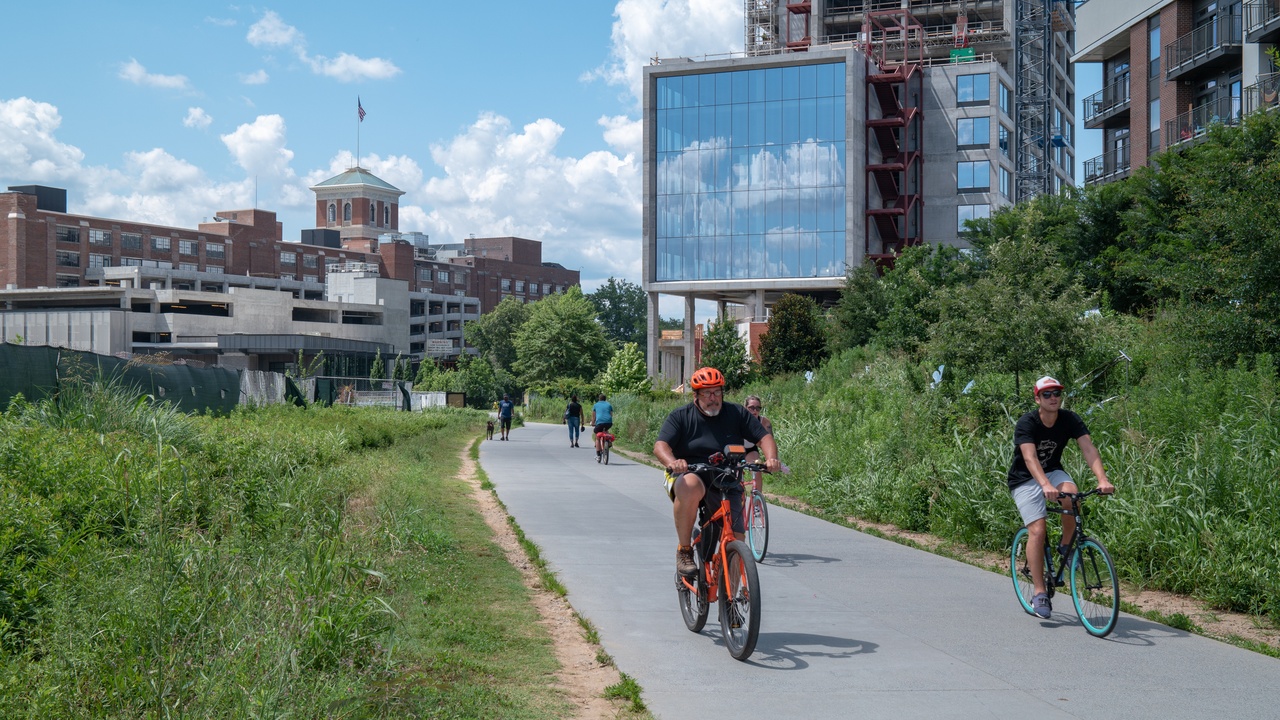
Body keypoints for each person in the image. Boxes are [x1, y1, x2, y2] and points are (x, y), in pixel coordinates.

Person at [654, 367, 780, 577]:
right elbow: (661, 446)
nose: (713, 398)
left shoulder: (737, 413)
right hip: (695, 473)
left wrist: (771, 458)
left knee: (737, 541)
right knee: (689, 486)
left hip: (727, 477)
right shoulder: (681, 416)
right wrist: (674, 462)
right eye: (706, 393)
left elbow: (763, 437)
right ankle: (684, 550)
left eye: (717, 392)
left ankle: (730, 603)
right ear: (696, 395)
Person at [1008, 376, 1115, 619]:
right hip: (1024, 478)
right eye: (1047, 394)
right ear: (1037, 398)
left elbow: (1088, 448)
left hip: (1052, 472)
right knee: (1038, 529)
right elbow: (1030, 458)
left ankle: (1066, 545)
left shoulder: (1070, 419)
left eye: (1056, 393)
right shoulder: (1027, 423)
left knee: (1073, 497)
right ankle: (1039, 593)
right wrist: (1044, 484)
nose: (1053, 397)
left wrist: (1102, 479)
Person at [742, 395, 774, 494]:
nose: (754, 411)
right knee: (736, 475)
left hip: (750, 449)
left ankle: (757, 501)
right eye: (751, 408)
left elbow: (769, 442)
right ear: (745, 408)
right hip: (736, 449)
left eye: (757, 408)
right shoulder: (738, 419)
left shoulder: (764, 422)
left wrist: (770, 459)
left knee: (757, 473)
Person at [590, 393, 613, 458]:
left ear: (599, 399)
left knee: (597, 436)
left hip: (599, 423)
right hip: (609, 422)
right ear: (605, 399)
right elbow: (611, 415)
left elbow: (594, 416)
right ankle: (609, 441)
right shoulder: (609, 405)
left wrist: (593, 423)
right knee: (606, 430)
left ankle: (598, 455)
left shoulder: (596, 405)